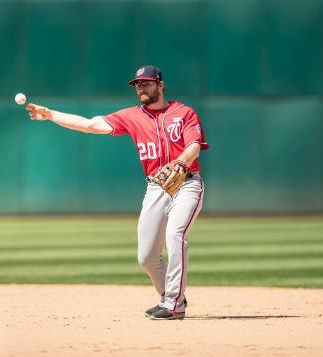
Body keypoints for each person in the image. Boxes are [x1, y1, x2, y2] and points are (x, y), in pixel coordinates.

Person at [26, 65, 209, 320]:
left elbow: (193, 147)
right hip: (156, 187)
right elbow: (89, 125)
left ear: (161, 85)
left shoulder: (184, 113)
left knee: (175, 234)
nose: (141, 88)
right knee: (146, 257)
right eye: (138, 84)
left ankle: (173, 304)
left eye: (146, 83)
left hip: (187, 184)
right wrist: (50, 115)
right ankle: (171, 293)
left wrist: (180, 162)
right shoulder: (131, 116)